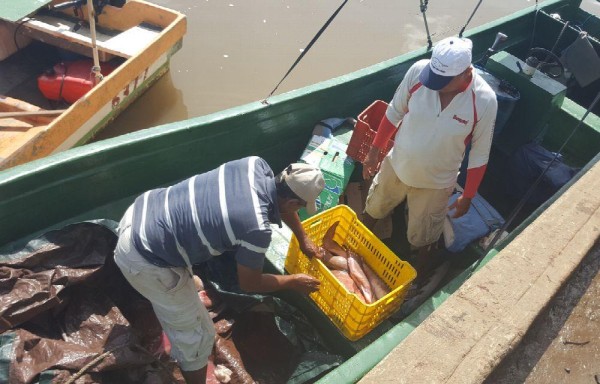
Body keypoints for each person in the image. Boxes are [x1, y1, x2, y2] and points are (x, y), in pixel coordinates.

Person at [113, 156, 325, 384]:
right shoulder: (257, 229)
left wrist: (303, 239)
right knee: (196, 338)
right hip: (143, 255)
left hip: (140, 213)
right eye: (301, 207)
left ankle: (172, 291)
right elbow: (250, 284)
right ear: (294, 204)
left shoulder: (255, 165)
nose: (298, 211)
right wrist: (292, 281)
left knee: (192, 286)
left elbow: (282, 203)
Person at [361, 36, 498, 285]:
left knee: (423, 236)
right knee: (374, 208)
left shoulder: (485, 101)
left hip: (436, 183)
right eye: (432, 77)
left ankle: (418, 277)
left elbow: (479, 154)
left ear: (466, 73)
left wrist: (467, 196)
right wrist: (374, 151)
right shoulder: (418, 73)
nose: (434, 85)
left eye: (442, 82)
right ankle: (355, 247)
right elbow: (394, 112)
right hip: (397, 163)